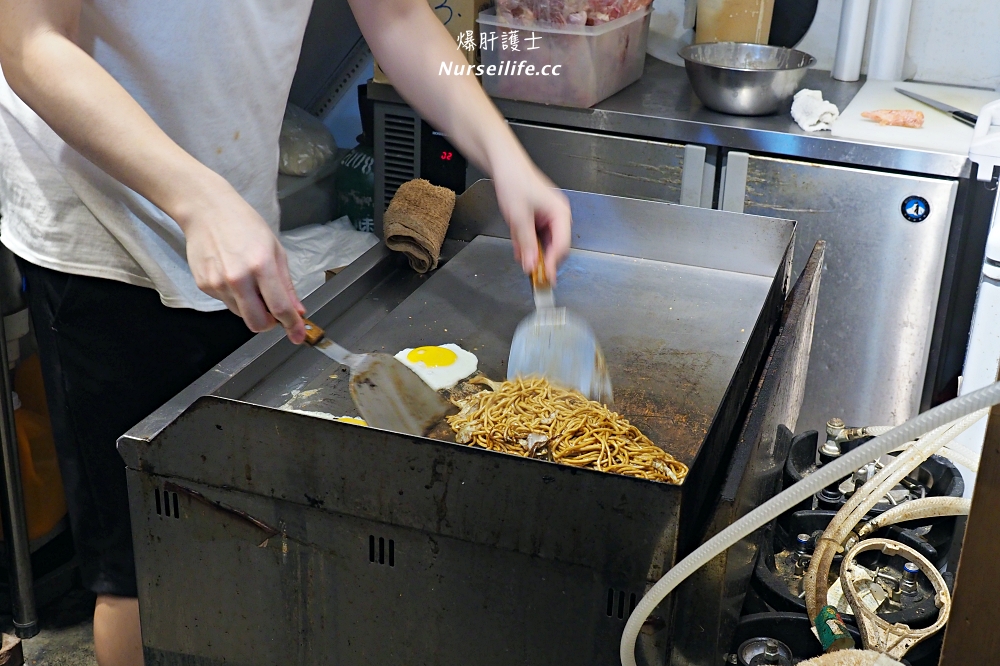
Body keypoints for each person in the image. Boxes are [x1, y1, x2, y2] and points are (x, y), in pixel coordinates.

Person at [0, 1, 572, 664]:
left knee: (230, 522)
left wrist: (505, 156)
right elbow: (30, 43)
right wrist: (197, 198)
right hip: (104, 220)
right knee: (137, 567)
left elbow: (397, 15)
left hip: (232, 209)